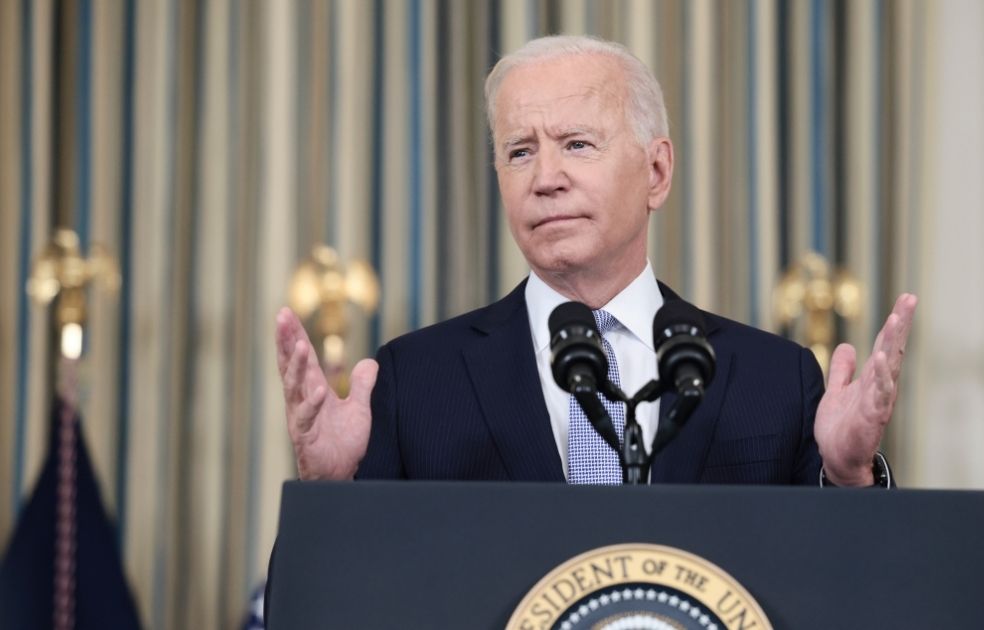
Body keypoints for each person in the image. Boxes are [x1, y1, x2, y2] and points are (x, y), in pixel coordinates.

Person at [274, 35, 916, 488]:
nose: (545, 177)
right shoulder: (417, 380)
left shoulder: (773, 380)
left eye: (577, 144)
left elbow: (842, 592)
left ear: (657, 172)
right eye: (519, 152)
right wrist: (329, 496)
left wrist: (848, 479)